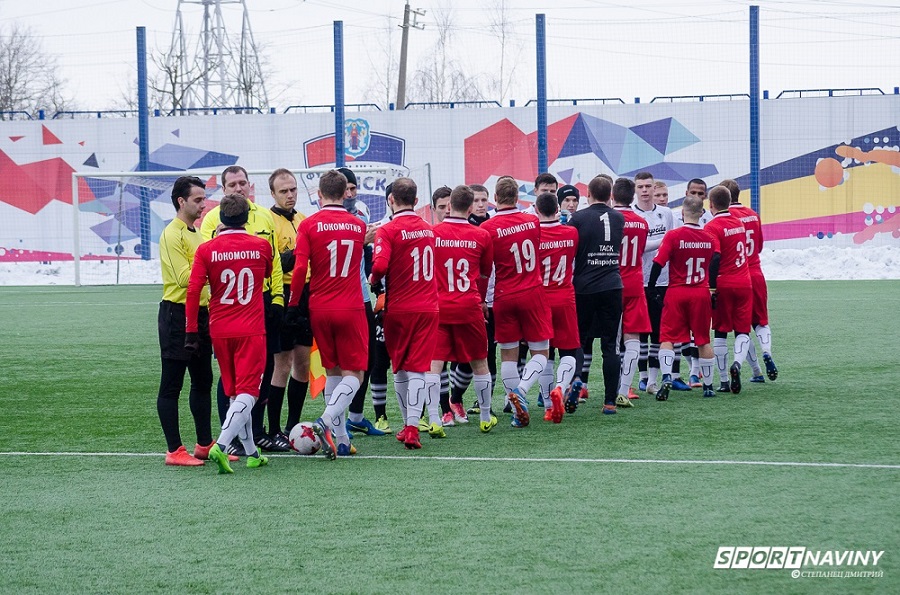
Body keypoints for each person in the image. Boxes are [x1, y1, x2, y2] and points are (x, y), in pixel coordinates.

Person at [186, 193, 274, 473]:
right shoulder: (261, 246)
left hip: (220, 329)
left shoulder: (206, 249)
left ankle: (251, 452)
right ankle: (221, 445)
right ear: (247, 218)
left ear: (221, 218)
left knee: (236, 393)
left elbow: (193, 290)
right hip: (250, 328)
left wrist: (191, 331)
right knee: (249, 392)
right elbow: (268, 273)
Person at [200, 165, 285, 455]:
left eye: (242, 183)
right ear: (224, 189)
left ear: (250, 186)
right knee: (231, 376)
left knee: (265, 369)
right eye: (232, 184)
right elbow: (206, 262)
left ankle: (256, 433)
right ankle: (230, 437)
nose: (239, 188)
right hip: (228, 306)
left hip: (260, 301)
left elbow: (274, 261)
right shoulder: (212, 218)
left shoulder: (264, 216)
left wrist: (277, 298)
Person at [285, 170, 368, 459]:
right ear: (346, 193)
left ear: (319, 194)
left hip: (319, 307)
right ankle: (325, 420)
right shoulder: (358, 225)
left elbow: (299, 269)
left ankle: (342, 440)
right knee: (355, 373)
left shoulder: (308, 224)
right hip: (350, 306)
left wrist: (293, 304)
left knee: (332, 370)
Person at [370, 177, 440, 449]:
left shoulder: (387, 230)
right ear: (416, 200)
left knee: (400, 367)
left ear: (391, 200)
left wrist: (373, 280)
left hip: (399, 308)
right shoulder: (429, 230)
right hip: (428, 306)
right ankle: (411, 426)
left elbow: (379, 266)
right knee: (418, 368)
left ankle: (408, 425)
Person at [156, 176, 220, 466]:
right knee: (172, 384)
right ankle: (174, 450)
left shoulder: (197, 234)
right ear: (181, 201)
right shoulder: (172, 234)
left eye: (204, 198)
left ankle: (204, 444)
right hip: (177, 315)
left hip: (201, 314)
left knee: (203, 380)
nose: (203, 204)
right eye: (197, 199)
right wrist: (213, 268)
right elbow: (183, 278)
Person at [481, 176, 553, 427]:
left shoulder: (487, 228)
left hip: (504, 296)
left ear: (495, 198)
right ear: (517, 197)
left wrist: (482, 299)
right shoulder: (532, 221)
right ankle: (521, 390)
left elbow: (485, 271)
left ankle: (516, 411)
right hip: (532, 292)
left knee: (508, 357)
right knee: (541, 353)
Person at [429, 184, 497, 434]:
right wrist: (482, 301)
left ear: (449, 206)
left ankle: (434, 419)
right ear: (470, 208)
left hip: (439, 306)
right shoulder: (481, 235)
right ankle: (485, 417)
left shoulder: (432, 234)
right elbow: (485, 273)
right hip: (469, 306)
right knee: (480, 362)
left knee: (434, 365)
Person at [648, 194, 719, 400]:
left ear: (682, 213)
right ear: (702, 213)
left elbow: (658, 263)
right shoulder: (709, 238)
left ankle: (667, 378)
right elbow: (715, 260)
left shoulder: (673, 236)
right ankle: (708, 386)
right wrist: (713, 288)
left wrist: (652, 288)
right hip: (700, 293)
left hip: (676, 292)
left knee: (667, 338)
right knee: (703, 340)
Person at [337, 167, 388, 439]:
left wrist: (374, 281)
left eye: (353, 188)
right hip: (335, 298)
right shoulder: (326, 218)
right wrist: (361, 239)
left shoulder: (362, 212)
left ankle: (355, 417)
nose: (349, 193)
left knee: (367, 358)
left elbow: (364, 254)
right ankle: (334, 421)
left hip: (361, 296)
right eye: (345, 188)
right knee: (336, 364)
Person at [568, 175, 625, 415]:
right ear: (610, 196)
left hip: (584, 287)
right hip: (612, 285)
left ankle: (576, 383)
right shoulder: (619, 218)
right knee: (610, 345)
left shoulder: (578, 218)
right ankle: (610, 401)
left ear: (588, 194)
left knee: (579, 341)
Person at [266, 169, 312, 447]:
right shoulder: (267, 221)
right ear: (272, 193)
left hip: (305, 294)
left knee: (303, 363)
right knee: (281, 364)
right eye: (283, 191)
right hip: (282, 295)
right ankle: (273, 429)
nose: (290, 195)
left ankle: (292, 426)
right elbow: (274, 263)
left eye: (293, 189)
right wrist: (300, 253)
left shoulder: (303, 219)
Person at [721, 178, 778, 383]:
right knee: (761, 320)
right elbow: (759, 245)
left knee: (741, 328)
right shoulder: (753, 215)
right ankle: (766, 352)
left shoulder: (727, 218)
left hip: (738, 276)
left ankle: (755, 370)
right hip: (756, 272)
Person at [534, 192, 580, 423]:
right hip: (564, 296)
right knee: (569, 351)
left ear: (536, 210)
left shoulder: (533, 235)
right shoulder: (571, 233)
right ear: (557, 209)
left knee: (545, 353)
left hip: (541, 299)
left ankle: (547, 405)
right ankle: (560, 388)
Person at [702, 185, 753, 394]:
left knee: (721, 331)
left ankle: (723, 380)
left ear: (711, 204)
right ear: (730, 202)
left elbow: (715, 257)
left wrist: (712, 287)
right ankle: (738, 363)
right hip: (744, 282)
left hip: (724, 283)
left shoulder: (712, 227)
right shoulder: (739, 222)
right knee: (742, 330)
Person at [632, 171, 677, 396]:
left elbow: (674, 242)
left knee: (659, 332)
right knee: (640, 332)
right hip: (639, 281)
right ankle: (641, 378)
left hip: (662, 280)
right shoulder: (632, 214)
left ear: (653, 187)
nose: (645, 190)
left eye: (648, 186)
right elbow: (639, 247)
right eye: (640, 187)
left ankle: (652, 380)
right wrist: (663, 240)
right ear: (635, 189)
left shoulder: (666, 213)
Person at [612, 177, 650, 408]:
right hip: (635, 283)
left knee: (614, 341)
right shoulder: (642, 223)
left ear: (613, 196)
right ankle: (624, 390)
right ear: (632, 196)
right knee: (633, 339)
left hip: (613, 283)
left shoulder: (610, 219)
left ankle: (613, 388)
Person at [676, 178, 713, 387]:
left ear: (706, 196)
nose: (697, 196)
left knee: (699, 332)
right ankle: (691, 371)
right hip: (679, 282)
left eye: (701, 193)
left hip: (701, 284)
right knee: (682, 332)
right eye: (693, 193)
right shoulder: (676, 216)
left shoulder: (710, 220)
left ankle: (695, 371)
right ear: (686, 193)